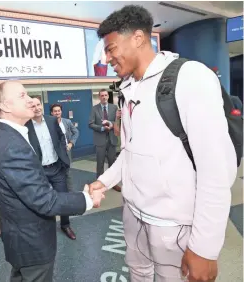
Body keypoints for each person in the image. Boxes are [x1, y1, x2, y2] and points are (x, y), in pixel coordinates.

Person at [89, 5, 237, 282]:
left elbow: (216, 169)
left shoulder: (189, 77)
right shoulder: (128, 87)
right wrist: (105, 181)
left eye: (110, 48)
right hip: (133, 213)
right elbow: (130, 152)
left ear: (137, 38)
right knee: (139, 274)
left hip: (173, 225)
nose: (107, 58)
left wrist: (205, 248)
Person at [0, 80, 105, 282]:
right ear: (5, 106)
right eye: (22, 95)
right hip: (31, 242)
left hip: (20, 238)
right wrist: (86, 199)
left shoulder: (7, 136)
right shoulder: (12, 145)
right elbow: (45, 201)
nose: (31, 99)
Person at [25, 99, 77, 240]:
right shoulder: (25, 125)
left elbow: (61, 138)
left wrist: (63, 156)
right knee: (41, 200)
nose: (36, 108)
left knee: (63, 198)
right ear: (28, 109)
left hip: (56, 168)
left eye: (38, 105)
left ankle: (65, 225)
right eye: (32, 106)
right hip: (39, 171)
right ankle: (44, 227)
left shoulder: (52, 121)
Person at [89, 89, 121, 192]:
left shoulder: (114, 107)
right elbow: (90, 124)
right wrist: (102, 128)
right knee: (100, 163)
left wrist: (110, 124)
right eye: (102, 95)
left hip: (112, 139)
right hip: (100, 139)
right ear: (99, 97)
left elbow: (117, 121)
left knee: (112, 162)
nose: (104, 97)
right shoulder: (94, 109)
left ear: (108, 96)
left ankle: (113, 183)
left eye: (106, 95)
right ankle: (99, 185)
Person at [50, 103, 79, 194]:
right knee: (56, 172)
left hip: (66, 151)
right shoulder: (48, 123)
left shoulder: (67, 122)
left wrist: (71, 143)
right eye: (55, 111)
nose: (57, 112)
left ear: (61, 112)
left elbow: (76, 132)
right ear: (51, 113)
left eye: (59, 111)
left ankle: (71, 193)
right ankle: (57, 193)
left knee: (68, 172)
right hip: (54, 152)